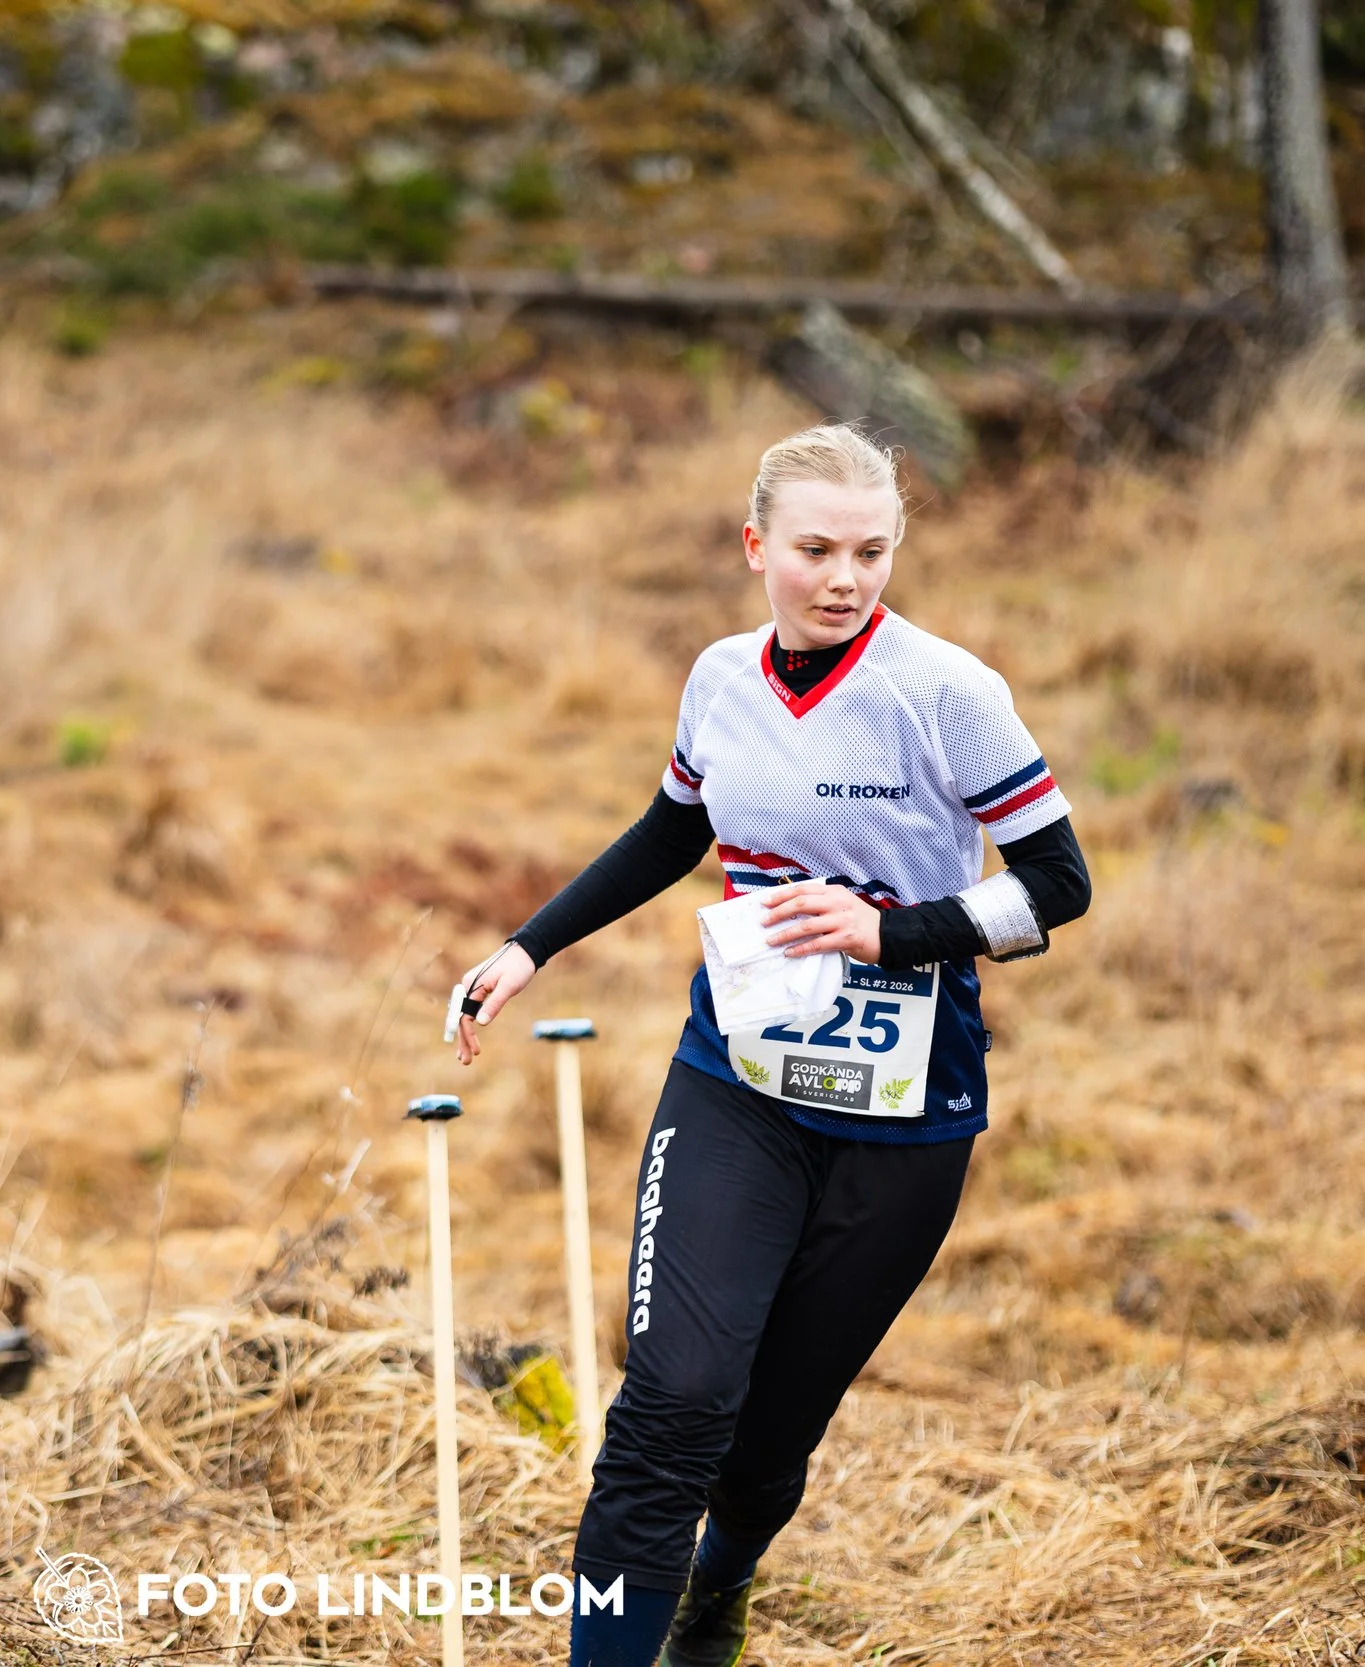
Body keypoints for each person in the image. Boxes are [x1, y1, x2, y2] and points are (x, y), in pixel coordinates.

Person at [452, 424, 1090, 1667]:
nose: (843, 576)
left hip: (907, 1112)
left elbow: (1057, 887)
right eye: (813, 548)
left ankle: (720, 1579)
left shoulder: (946, 691)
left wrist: (891, 929)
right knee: (669, 1407)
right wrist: (526, 947)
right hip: (735, 1081)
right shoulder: (719, 679)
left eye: (870, 549)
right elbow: (667, 832)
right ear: (757, 547)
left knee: (758, 1453)